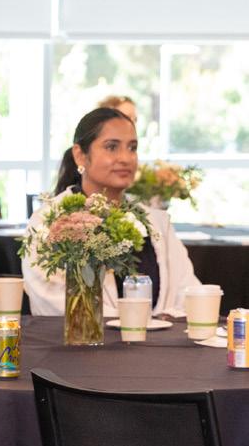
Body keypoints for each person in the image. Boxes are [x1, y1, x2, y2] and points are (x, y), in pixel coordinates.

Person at [23, 107, 200, 317]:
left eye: (132, 148)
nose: (126, 158)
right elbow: (52, 299)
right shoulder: (50, 221)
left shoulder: (156, 222)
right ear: (80, 155)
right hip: (84, 338)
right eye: (112, 147)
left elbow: (189, 293)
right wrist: (129, 323)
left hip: (160, 337)